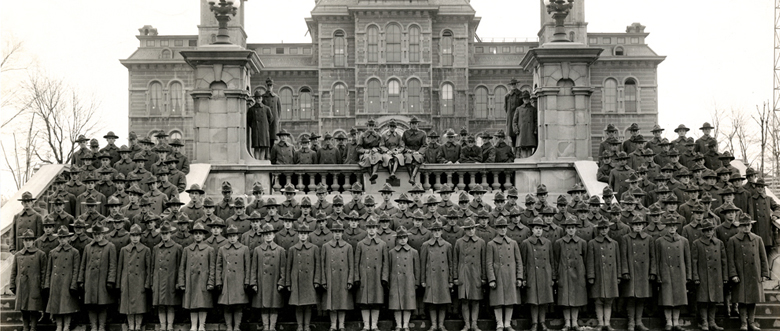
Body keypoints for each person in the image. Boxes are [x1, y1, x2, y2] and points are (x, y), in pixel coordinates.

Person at [727, 217, 770, 331]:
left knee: (752, 299)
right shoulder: (733, 240)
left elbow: (763, 257)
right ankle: (743, 323)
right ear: (739, 227)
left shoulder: (757, 239)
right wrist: (733, 274)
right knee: (742, 299)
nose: (746, 227)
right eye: (743, 225)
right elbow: (730, 260)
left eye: (748, 225)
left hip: (754, 274)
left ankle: (751, 322)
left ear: (751, 226)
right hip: (740, 275)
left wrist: (764, 273)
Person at [655, 215, 691, 331]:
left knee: (678, 298)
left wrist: (688, 275)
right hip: (666, 272)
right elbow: (657, 259)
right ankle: (669, 322)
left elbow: (687, 260)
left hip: (679, 273)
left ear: (676, 227)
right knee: (667, 299)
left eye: (673, 226)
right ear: (665, 227)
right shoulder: (659, 241)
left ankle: (676, 322)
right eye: (669, 226)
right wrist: (658, 275)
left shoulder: (683, 241)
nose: (671, 228)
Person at [486, 217, 523, 331]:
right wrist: (491, 278)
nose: (502, 230)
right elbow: (489, 263)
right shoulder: (491, 244)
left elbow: (519, 261)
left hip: (510, 275)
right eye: (500, 227)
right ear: (496, 229)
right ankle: (499, 323)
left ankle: (507, 323)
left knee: (510, 300)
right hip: (498, 276)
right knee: (498, 301)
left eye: (504, 227)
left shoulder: (513, 243)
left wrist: (519, 277)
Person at [79, 223, 118, 331]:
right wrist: (81, 280)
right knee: (91, 305)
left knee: (102, 304)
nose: (97, 236)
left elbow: (112, 265)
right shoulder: (88, 247)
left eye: (99, 233)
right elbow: (83, 265)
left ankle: (101, 326)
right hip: (90, 280)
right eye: (95, 234)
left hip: (103, 280)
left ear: (103, 234)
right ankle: (93, 326)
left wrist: (110, 280)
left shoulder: (110, 246)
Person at [620, 216, 656, 331]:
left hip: (644, 272)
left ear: (643, 225)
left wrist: (652, 271)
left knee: (641, 298)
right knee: (631, 297)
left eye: (640, 224)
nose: (638, 226)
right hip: (631, 271)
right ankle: (631, 322)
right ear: (632, 226)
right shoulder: (626, 238)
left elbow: (652, 256)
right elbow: (623, 256)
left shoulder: (649, 239)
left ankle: (639, 322)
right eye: (636, 224)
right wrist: (625, 271)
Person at [354, 218, 389, 331]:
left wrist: (384, 277)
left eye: (373, 227)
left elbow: (385, 262)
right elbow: (356, 262)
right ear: (366, 229)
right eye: (369, 228)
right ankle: (366, 325)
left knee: (376, 301)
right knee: (364, 302)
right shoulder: (361, 244)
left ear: (377, 229)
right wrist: (357, 277)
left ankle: (374, 325)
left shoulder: (382, 244)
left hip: (377, 276)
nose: (371, 230)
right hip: (364, 276)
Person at [250, 223, 287, 331]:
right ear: (263, 236)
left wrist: (281, 282)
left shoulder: (280, 250)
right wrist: (254, 283)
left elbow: (283, 268)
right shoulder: (258, 250)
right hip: (262, 281)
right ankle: (266, 326)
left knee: (274, 305)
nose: (268, 236)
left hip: (275, 281)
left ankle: (272, 327)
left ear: (274, 235)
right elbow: (254, 268)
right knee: (264, 305)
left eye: (270, 234)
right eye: (265, 234)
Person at [44, 226, 81, 331]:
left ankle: (66, 326)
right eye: (60, 238)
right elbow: (49, 270)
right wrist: (47, 284)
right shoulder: (53, 252)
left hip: (67, 281)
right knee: (56, 305)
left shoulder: (74, 252)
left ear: (68, 238)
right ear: (58, 239)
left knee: (67, 305)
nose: (62, 240)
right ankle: (59, 325)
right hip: (55, 282)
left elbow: (76, 269)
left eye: (64, 238)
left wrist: (73, 284)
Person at [691, 221, 726, 331]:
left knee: (714, 300)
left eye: (711, 230)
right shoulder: (697, 243)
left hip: (716, 276)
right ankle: (704, 322)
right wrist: (695, 276)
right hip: (703, 276)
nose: (709, 232)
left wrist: (725, 277)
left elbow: (724, 261)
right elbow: (694, 261)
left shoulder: (719, 243)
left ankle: (712, 322)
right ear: (703, 231)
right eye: (706, 230)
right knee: (703, 300)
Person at [10, 229, 47, 331]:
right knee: (23, 307)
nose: (27, 242)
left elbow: (44, 271)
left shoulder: (40, 254)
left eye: (30, 240)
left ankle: (33, 327)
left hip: (35, 284)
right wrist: (12, 284)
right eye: (25, 240)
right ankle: (26, 327)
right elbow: (14, 271)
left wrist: (43, 285)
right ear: (23, 241)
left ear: (33, 241)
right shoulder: (18, 255)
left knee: (33, 307)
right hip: (22, 285)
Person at [320, 222, 354, 331]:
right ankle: (333, 324)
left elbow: (351, 265)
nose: (337, 234)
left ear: (342, 233)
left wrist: (350, 279)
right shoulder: (326, 246)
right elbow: (322, 264)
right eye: (335, 232)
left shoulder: (348, 247)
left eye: (339, 232)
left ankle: (342, 324)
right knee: (332, 303)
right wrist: (324, 280)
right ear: (332, 233)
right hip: (331, 278)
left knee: (342, 302)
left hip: (343, 278)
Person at [587, 220, 620, 331]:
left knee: (609, 300)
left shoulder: (614, 243)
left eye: (606, 228)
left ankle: (607, 323)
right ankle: (600, 323)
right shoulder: (592, 243)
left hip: (611, 274)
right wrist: (591, 276)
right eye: (601, 228)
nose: (604, 230)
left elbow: (618, 261)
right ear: (598, 230)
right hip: (598, 275)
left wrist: (618, 275)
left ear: (608, 229)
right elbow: (590, 261)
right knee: (598, 299)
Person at [216, 225, 251, 331]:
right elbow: (218, 266)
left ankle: (237, 327)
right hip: (226, 280)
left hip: (239, 280)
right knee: (227, 305)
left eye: (234, 236)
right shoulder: (222, 249)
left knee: (238, 305)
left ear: (238, 237)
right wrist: (218, 281)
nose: (232, 238)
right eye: (230, 236)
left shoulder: (244, 249)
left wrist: (247, 280)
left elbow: (247, 266)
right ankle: (229, 327)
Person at [286, 223, 321, 331]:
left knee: (308, 305)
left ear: (308, 235)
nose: (303, 236)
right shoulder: (292, 249)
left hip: (309, 280)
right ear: (298, 235)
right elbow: (288, 267)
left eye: (305, 234)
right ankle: (300, 326)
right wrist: (288, 282)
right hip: (296, 280)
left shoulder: (314, 248)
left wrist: (316, 280)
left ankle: (306, 326)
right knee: (298, 305)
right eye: (301, 233)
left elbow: (318, 266)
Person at [419, 221, 453, 331]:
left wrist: (451, 279)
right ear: (432, 232)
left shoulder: (447, 245)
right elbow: (423, 263)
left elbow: (450, 263)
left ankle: (441, 324)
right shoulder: (426, 245)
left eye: (438, 230)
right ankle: (433, 324)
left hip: (443, 277)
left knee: (443, 301)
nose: (437, 233)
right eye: (434, 231)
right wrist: (423, 279)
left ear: (442, 231)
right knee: (432, 302)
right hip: (431, 276)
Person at [453, 219, 486, 331]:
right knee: (465, 300)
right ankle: (466, 324)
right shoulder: (459, 242)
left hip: (476, 274)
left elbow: (484, 261)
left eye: (472, 228)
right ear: (465, 230)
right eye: (468, 229)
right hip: (464, 273)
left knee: (476, 300)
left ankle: (474, 324)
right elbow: (455, 261)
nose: (471, 231)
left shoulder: (481, 242)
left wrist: (484, 277)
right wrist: (455, 277)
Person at [117, 224, 151, 331]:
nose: (135, 238)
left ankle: (138, 325)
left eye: (137, 235)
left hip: (140, 281)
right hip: (126, 281)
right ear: (130, 236)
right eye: (133, 235)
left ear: (140, 236)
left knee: (139, 305)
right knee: (128, 306)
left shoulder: (146, 250)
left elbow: (148, 268)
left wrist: (147, 283)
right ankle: (131, 325)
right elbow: (120, 268)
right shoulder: (124, 250)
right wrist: (119, 284)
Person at [388, 227, 421, 331]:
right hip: (395, 280)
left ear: (408, 238)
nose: (402, 240)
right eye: (400, 237)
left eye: (404, 237)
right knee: (396, 303)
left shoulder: (413, 252)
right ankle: (398, 324)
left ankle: (405, 324)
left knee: (407, 302)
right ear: (397, 239)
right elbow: (389, 267)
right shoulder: (392, 252)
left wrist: (416, 281)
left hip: (408, 280)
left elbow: (417, 268)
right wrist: (389, 281)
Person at [247, 90, 273, 160]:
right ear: (255, 99)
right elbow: (249, 120)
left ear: (262, 99)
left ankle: (261, 162)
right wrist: (254, 126)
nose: (259, 99)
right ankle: (256, 162)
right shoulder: (251, 109)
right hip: (256, 131)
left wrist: (265, 126)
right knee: (256, 148)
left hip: (264, 131)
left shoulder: (267, 109)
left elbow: (270, 119)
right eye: (257, 98)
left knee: (263, 147)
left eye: (260, 98)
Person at [402, 117, 427, 184]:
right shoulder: (405, 133)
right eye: (412, 123)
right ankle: (412, 177)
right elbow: (402, 144)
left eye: (415, 123)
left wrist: (419, 152)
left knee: (418, 159)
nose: (414, 125)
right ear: (410, 124)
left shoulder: (422, 133)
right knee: (407, 159)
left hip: (418, 152)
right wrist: (407, 150)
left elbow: (424, 145)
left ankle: (412, 177)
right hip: (408, 152)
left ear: (417, 124)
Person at [512, 90, 537, 158]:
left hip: (530, 132)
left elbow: (536, 120)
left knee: (529, 149)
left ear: (529, 99)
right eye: (524, 98)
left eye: (527, 98)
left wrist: (535, 130)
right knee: (522, 149)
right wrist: (516, 130)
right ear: (523, 99)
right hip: (521, 132)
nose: (526, 100)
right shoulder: (519, 109)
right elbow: (514, 121)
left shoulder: (533, 109)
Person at [358, 119, 383, 183]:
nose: (371, 127)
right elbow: (358, 148)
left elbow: (382, 146)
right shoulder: (362, 136)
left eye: (372, 125)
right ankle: (371, 176)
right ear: (367, 126)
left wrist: (377, 149)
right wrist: (364, 150)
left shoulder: (378, 136)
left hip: (375, 152)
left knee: (377, 156)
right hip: (366, 152)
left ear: (374, 126)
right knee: (367, 158)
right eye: (370, 125)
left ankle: (374, 173)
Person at [505, 78, 523, 147]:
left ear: (517, 84)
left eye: (514, 84)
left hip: (519, 117)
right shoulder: (507, 96)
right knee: (512, 135)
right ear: (510, 86)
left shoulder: (520, 94)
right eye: (512, 84)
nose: (513, 86)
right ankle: (514, 150)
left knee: (519, 133)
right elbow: (506, 108)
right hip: (510, 118)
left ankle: (519, 150)